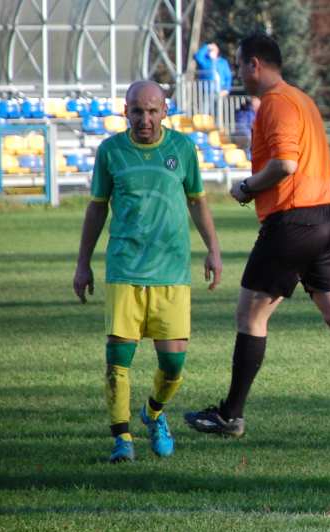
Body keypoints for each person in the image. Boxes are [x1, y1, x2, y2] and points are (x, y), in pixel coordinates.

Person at [184, 33, 330, 440]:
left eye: (239, 65)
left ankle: (230, 415)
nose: (239, 74)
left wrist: (248, 187)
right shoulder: (302, 98)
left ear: (255, 64)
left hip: (295, 222)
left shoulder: (276, 102)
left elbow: (286, 163)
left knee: (250, 315)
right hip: (328, 218)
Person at [73, 80, 223, 463]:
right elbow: (96, 209)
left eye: (152, 111)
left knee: (173, 367)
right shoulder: (111, 152)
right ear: (126, 111)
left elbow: (197, 202)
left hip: (172, 273)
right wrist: (83, 262)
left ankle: (153, 413)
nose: (145, 118)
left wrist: (214, 250)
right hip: (124, 269)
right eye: (137, 111)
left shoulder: (183, 149)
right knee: (117, 361)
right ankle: (122, 439)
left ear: (165, 111)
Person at [194, 43, 233, 115]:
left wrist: (227, 89)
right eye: (209, 50)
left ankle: (217, 125)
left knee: (219, 112)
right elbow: (197, 56)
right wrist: (207, 46)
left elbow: (228, 76)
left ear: (217, 51)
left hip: (220, 90)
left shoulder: (223, 62)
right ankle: (205, 124)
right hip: (207, 91)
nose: (210, 52)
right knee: (205, 111)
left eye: (212, 50)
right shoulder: (205, 61)